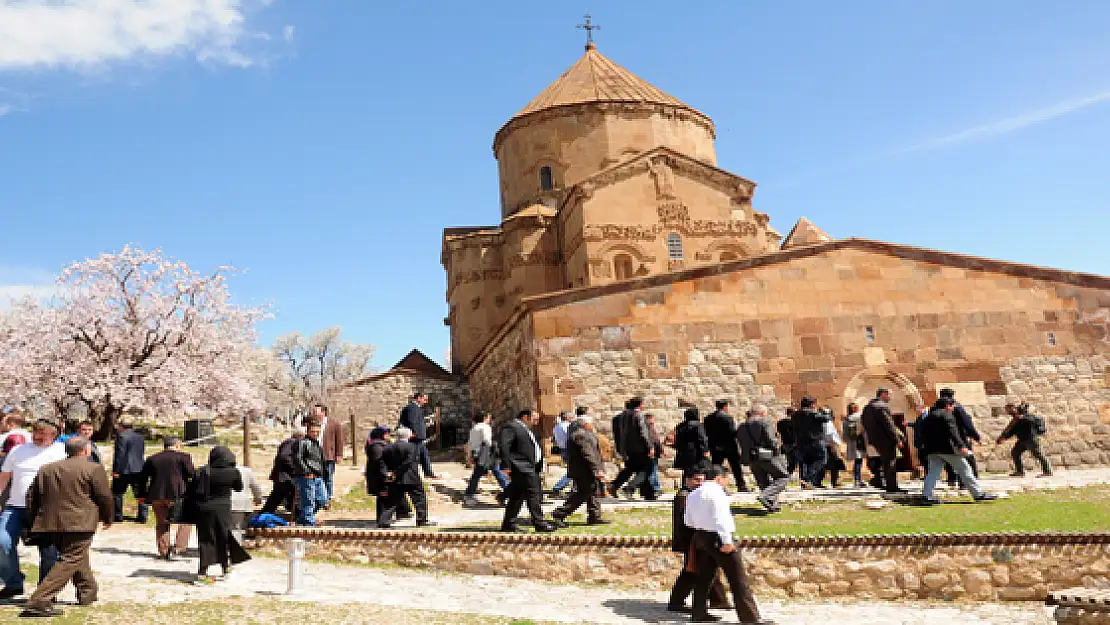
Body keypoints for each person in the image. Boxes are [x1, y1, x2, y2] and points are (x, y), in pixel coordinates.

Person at [19, 436, 113, 618]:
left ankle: (88, 593)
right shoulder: (93, 468)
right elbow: (104, 497)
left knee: (76, 555)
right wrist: (108, 517)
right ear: (86, 450)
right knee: (71, 558)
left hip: (50, 521)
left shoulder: (46, 469)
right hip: (80, 522)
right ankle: (39, 601)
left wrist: (34, 520)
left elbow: (31, 496)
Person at [685, 465, 772, 624]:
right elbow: (721, 519)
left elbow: (688, 521)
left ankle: (698, 612)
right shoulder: (717, 493)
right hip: (719, 537)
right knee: (738, 579)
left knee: (703, 578)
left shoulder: (693, 494)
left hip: (701, 536)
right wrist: (727, 541)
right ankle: (750, 618)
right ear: (719, 478)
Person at [0, 417, 67, 599]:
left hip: (46, 509)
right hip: (15, 506)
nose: (37, 436)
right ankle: (13, 583)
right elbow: (4, 476)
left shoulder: (61, 452)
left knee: (49, 552)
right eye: (36, 432)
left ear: (54, 435)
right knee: (2, 541)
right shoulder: (18, 450)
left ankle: (45, 591)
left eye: (43, 434)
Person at [667, 462, 729, 614]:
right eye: (696, 480)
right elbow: (686, 522)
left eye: (701, 480)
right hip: (690, 539)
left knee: (708, 569)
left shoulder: (696, 495)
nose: (699, 483)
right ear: (687, 480)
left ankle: (718, 600)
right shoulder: (684, 496)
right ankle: (677, 601)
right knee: (692, 571)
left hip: (698, 538)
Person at [919, 398, 999, 504]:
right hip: (947, 449)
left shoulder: (928, 417)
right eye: (952, 406)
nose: (953, 408)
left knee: (933, 472)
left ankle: (927, 495)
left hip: (932, 449)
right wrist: (961, 446)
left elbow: (923, 433)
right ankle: (978, 494)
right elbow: (953, 431)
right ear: (947, 405)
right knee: (965, 469)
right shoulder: (946, 415)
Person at [190, 446, 251, 584]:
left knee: (206, 539)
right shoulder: (232, 472)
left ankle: (202, 573)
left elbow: (192, 489)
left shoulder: (202, 471)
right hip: (222, 509)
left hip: (203, 509)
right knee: (223, 537)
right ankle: (225, 567)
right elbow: (238, 487)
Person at [137, 436, 195, 560]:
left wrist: (142, 495)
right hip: (178, 494)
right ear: (177, 445)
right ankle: (179, 548)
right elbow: (191, 474)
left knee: (162, 523)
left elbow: (142, 479)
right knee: (185, 521)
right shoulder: (184, 457)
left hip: (157, 495)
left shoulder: (152, 459)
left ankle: (164, 550)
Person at [499, 409, 556, 533]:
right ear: (525, 417)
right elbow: (504, 445)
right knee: (533, 494)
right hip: (521, 466)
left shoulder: (525, 429)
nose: (536, 422)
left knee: (517, 496)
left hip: (529, 467)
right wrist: (506, 465)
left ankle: (508, 524)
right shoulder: (512, 427)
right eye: (534, 419)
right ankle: (539, 523)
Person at [550, 415, 609, 527]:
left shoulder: (585, 434)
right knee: (582, 494)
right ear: (585, 424)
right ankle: (559, 513)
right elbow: (588, 454)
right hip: (583, 470)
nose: (593, 425)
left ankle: (594, 516)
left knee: (593, 493)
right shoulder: (581, 436)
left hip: (587, 470)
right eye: (591, 423)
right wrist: (597, 470)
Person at [736, 404, 790, 513]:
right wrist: (778, 449)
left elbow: (741, 442)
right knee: (783, 477)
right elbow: (771, 439)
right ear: (762, 413)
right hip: (768, 455)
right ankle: (766, 495)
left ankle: (772, 505)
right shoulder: (765, 422)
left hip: (751, 457)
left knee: (763, 481)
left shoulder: (741, 426)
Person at [380, 427, 437, 528]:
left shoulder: (388, 448)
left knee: (391, 501)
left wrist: (388, 473)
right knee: (419, 499)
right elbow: (409, 461)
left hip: (395, 479)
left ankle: (384, 521)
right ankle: (421, 520)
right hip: (411, 477)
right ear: (408, 436)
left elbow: (382, 462)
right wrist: (397, 472)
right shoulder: (413, 447)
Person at [609, 398, 656, 500]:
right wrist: (650, 447)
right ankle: (629, 488)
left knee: (631, 469)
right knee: (646, 469)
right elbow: (643, 433)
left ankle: (648, 493)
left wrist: (620, 450)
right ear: (639, 405)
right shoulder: (639, 416)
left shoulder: (618, 418)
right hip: (640, 449)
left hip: (626, 449)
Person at [861, 388, 906, 494]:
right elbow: (889, 425)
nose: (891, 397)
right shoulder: (881, 406)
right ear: (883, 394)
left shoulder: (867, 407)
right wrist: (897, 439)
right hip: (886, 440)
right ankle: (892, 487)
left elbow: (864, 423)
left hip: (875, 440)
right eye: (889, 395)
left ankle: (880, 482)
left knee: (885, 462)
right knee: (890, 462)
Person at [365, 427, 410, 524]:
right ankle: (382, 518)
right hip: (379, 477)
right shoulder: (376, 447)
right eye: (386, 433)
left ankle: (402, 512)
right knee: (383, 496)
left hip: (385, 475)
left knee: (393, 493)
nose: (388, 436)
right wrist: (385, 474)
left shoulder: (383, 445)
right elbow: (379, 463)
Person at [938, 388, 982, 486]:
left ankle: (954, 479)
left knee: (952, 459)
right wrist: (976, 436)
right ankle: (967, 480)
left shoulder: (937, 408)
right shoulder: (957, 407)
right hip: (959, 436)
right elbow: (967, 423)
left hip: (946, 438)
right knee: (967, 458)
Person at [703, 399, 749, 492]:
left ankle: (713, 485)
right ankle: (741, 485)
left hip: (715, 446)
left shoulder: (708, 418)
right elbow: (732, 432)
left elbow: (706, 432)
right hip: (729, 446)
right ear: (725, 407)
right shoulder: (727, 418)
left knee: (716, 467)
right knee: (736, 467)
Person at [464, 413, 508, 506]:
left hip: (476, 453)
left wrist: (469, 455)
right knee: (497, 471)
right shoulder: (485, 427)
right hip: (486, 453)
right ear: (485, 418)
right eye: (488, 417)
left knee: (476, 474)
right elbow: (487, 440)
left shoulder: (474, 428)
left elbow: (470, 443)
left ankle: (469, 493)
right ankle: (508, 491)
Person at [997, 403, 1053, 477]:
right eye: (1006, 410)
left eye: (1008, 409)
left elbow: (1036, 420)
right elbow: (1013, 431)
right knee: (1015, 453)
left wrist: (1023, 417)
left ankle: (1048, 471)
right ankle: (1020, 471)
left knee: (1039, 454)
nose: (1007, 411)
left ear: (1014, 408)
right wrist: (1004, 438)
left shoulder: (1026, 415)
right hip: (1022, 440)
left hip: (1031, 439)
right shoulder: (1015, 419)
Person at [305, 404, 344, 504]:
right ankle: (319, 496)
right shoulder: (312, 423)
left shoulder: (334, 424)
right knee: (318, 476)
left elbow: (339, 440)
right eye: (313, 412)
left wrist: (339, 454)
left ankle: (328, 496)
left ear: (323, 413)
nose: (314, 413)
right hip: (314, 455)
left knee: (328, 476)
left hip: (328, 454)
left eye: (316, 412)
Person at [111, 418, 149, 524]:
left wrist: (116, 471)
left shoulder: (121, 436)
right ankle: (143, 516)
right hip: (139, 468)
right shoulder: (140, 437)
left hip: (124, 470)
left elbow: (120, 455)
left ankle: (117, 516)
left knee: (118, 493)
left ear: (121, 426)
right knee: (141, 494)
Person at [789, 397, 830, 489]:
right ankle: (808, 478)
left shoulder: (795, 415)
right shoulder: (813, 413)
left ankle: (806, 482)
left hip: (800, 442)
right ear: (812, 404)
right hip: (815, 441)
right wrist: (826, 411)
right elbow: (827, 418)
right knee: (822, 459)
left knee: (805, 462)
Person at [292, 421, 328, 527]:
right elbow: (298, 458)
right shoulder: (302, 442)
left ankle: (305, 517)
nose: (315, 434)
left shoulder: (317, 443)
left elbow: (320, 460)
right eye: (313, 431)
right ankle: (308, 520)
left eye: (318, 431)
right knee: (308, 499)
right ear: (307, 431)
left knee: (322, 499)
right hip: (306, 476)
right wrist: (306, 472)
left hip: (318, 476)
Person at [261, 428, 302, 515]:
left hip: (283, 476)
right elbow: (284, 456)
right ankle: (299, 515)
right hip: (284, 476)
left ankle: (264, 514)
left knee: (277, 497)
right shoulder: (292, 442)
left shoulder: (291, 442)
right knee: (286, 496)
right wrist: (295, 468)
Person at [399, 393, 438, 479]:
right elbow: (412, 422)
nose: (426, 401)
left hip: (418, 437)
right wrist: (415, 433)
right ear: (418, 398)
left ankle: (428, 472)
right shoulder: (412, 407)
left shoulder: (416, 408)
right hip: (415, 437)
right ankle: (412, 475)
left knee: (424, 455)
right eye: (424, 399)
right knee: (413, 457)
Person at [671, 407, 710, 477]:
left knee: (686, 472)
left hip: (683, 452)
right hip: (696, 452)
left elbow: (677, 440)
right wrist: (705, 450)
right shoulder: (698, 425)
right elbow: (702, 438)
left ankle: (685, 486)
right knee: (697, 471)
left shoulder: (680, 426)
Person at [231, 459, 264, 535]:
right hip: (240, 504)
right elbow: (256, 487)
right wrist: (258, 499)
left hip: (221, 504)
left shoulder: (214, 470)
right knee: (236, 529)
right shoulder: (247, 471)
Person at [550, 411, 575, 495]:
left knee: (573, 469)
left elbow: (554, 439)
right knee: (572, 470)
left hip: (562, 449)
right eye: (572, 417)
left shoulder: (556, 427)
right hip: (569, 449)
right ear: (568, 418)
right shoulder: (568, 426)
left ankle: (574, 488)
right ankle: (557, 487)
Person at [842, 403, 865, 488]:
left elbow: (844, 434)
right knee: (859, 461)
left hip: (852, 442)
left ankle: (857, 479)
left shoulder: (846, 419)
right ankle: (857, 480)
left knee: (857, 461)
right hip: (860, 440)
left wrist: (847, 441)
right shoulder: (860, 417)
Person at [820, 409, 845, 488]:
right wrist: (833, 447)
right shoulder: (828, 423)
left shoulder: (822, 423)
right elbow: (830, 436)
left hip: (827, 445)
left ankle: (834, 481)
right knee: (834, 465)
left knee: (830, 465)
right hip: (830, 445)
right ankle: (834, 482)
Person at [776, 412, 797, 476]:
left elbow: (778, 433)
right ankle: (786, 475)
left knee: (790, 461)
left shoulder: (780, 422)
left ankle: (786, 475)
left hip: (785, 443)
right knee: (794, 462)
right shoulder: (794, 422)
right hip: (794, 444)